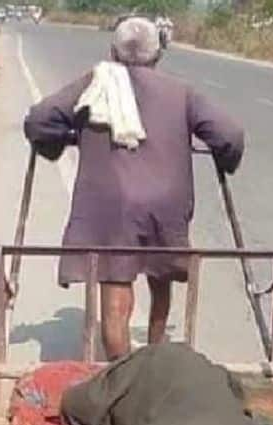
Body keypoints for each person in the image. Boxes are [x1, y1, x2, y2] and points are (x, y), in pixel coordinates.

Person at [23, 17, 245, 360]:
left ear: (113, 52)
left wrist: (58, 142)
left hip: (112, 207)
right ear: (158, 56)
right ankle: (155, 355)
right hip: (165, 204)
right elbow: (229, 134)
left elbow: (40, 119)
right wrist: (225, 157)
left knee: (115, 292)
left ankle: (122, 372)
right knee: (161, 274)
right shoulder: (181, 92)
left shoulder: (95, 83)